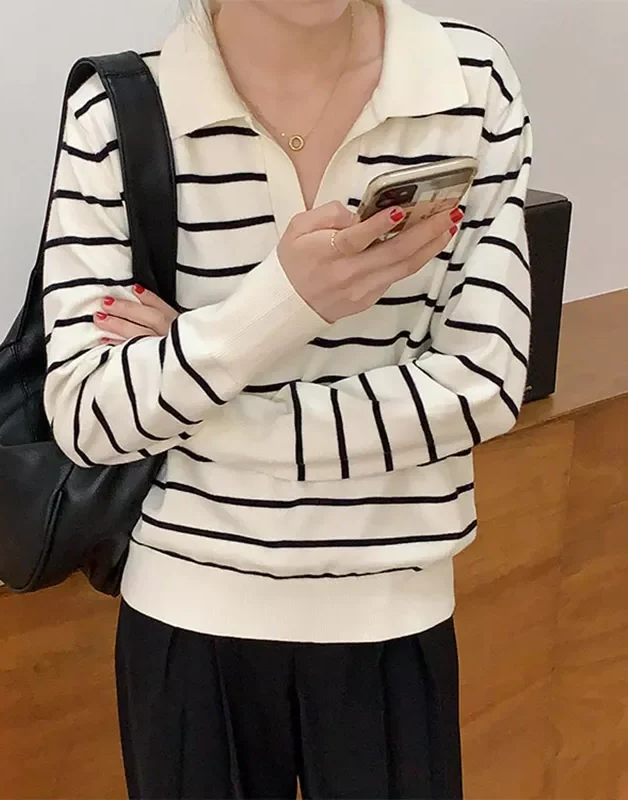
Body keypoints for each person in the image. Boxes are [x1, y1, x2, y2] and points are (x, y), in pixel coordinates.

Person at [42, 0, 532, 796]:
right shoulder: (123, 110)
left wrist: (204, 391)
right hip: (187, 619)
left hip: (393, 614)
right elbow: (89, 416)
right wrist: (280, 304)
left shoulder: (468, 80)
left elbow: (483, 382)